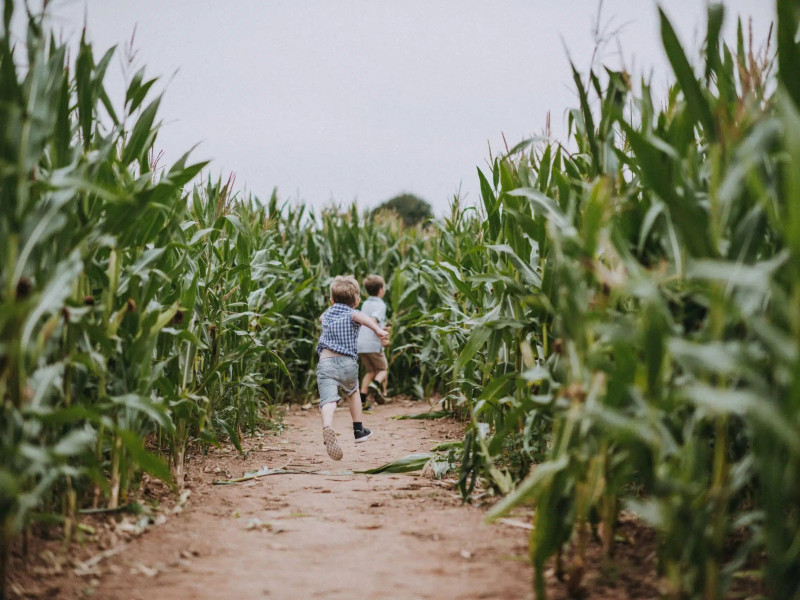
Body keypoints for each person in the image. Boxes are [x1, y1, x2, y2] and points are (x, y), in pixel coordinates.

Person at [316, 275, 389, 461]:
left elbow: (321, 317)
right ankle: (359, 430)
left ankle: (327, 428)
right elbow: (363, 318)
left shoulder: (328, 313)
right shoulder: (352, 313)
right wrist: (379, 331)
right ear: (356, 301)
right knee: (353, 392)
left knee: (328, 400)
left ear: (332, 300)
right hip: (347, 363)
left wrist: (332, 308)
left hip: (325, 363)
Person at [357, 274, 390, 409]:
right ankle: (374, 386)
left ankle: (363, 402)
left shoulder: (365, 303)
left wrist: (383, 327)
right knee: (383, 369)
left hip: (361, 344)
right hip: (373, 343)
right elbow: (374, 320)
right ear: (381, 290)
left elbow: (366, 320)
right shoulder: (381, 305)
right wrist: (381, 336)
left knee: (370, 372)